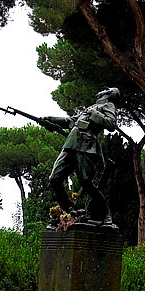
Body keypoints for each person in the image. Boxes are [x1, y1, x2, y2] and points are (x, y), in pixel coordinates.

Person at [43, 87, 119, 224]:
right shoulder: (92, 107)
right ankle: (69, 211)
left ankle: (105, 212)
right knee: (54, 178)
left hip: (86, 145)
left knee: (85, 182)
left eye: (106, 90)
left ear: (109, 94)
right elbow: (70, 121)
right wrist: (49, 120)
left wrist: (94, 114)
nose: (101, 90)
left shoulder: (108, 105)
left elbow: (111, 124)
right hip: (71, 143)